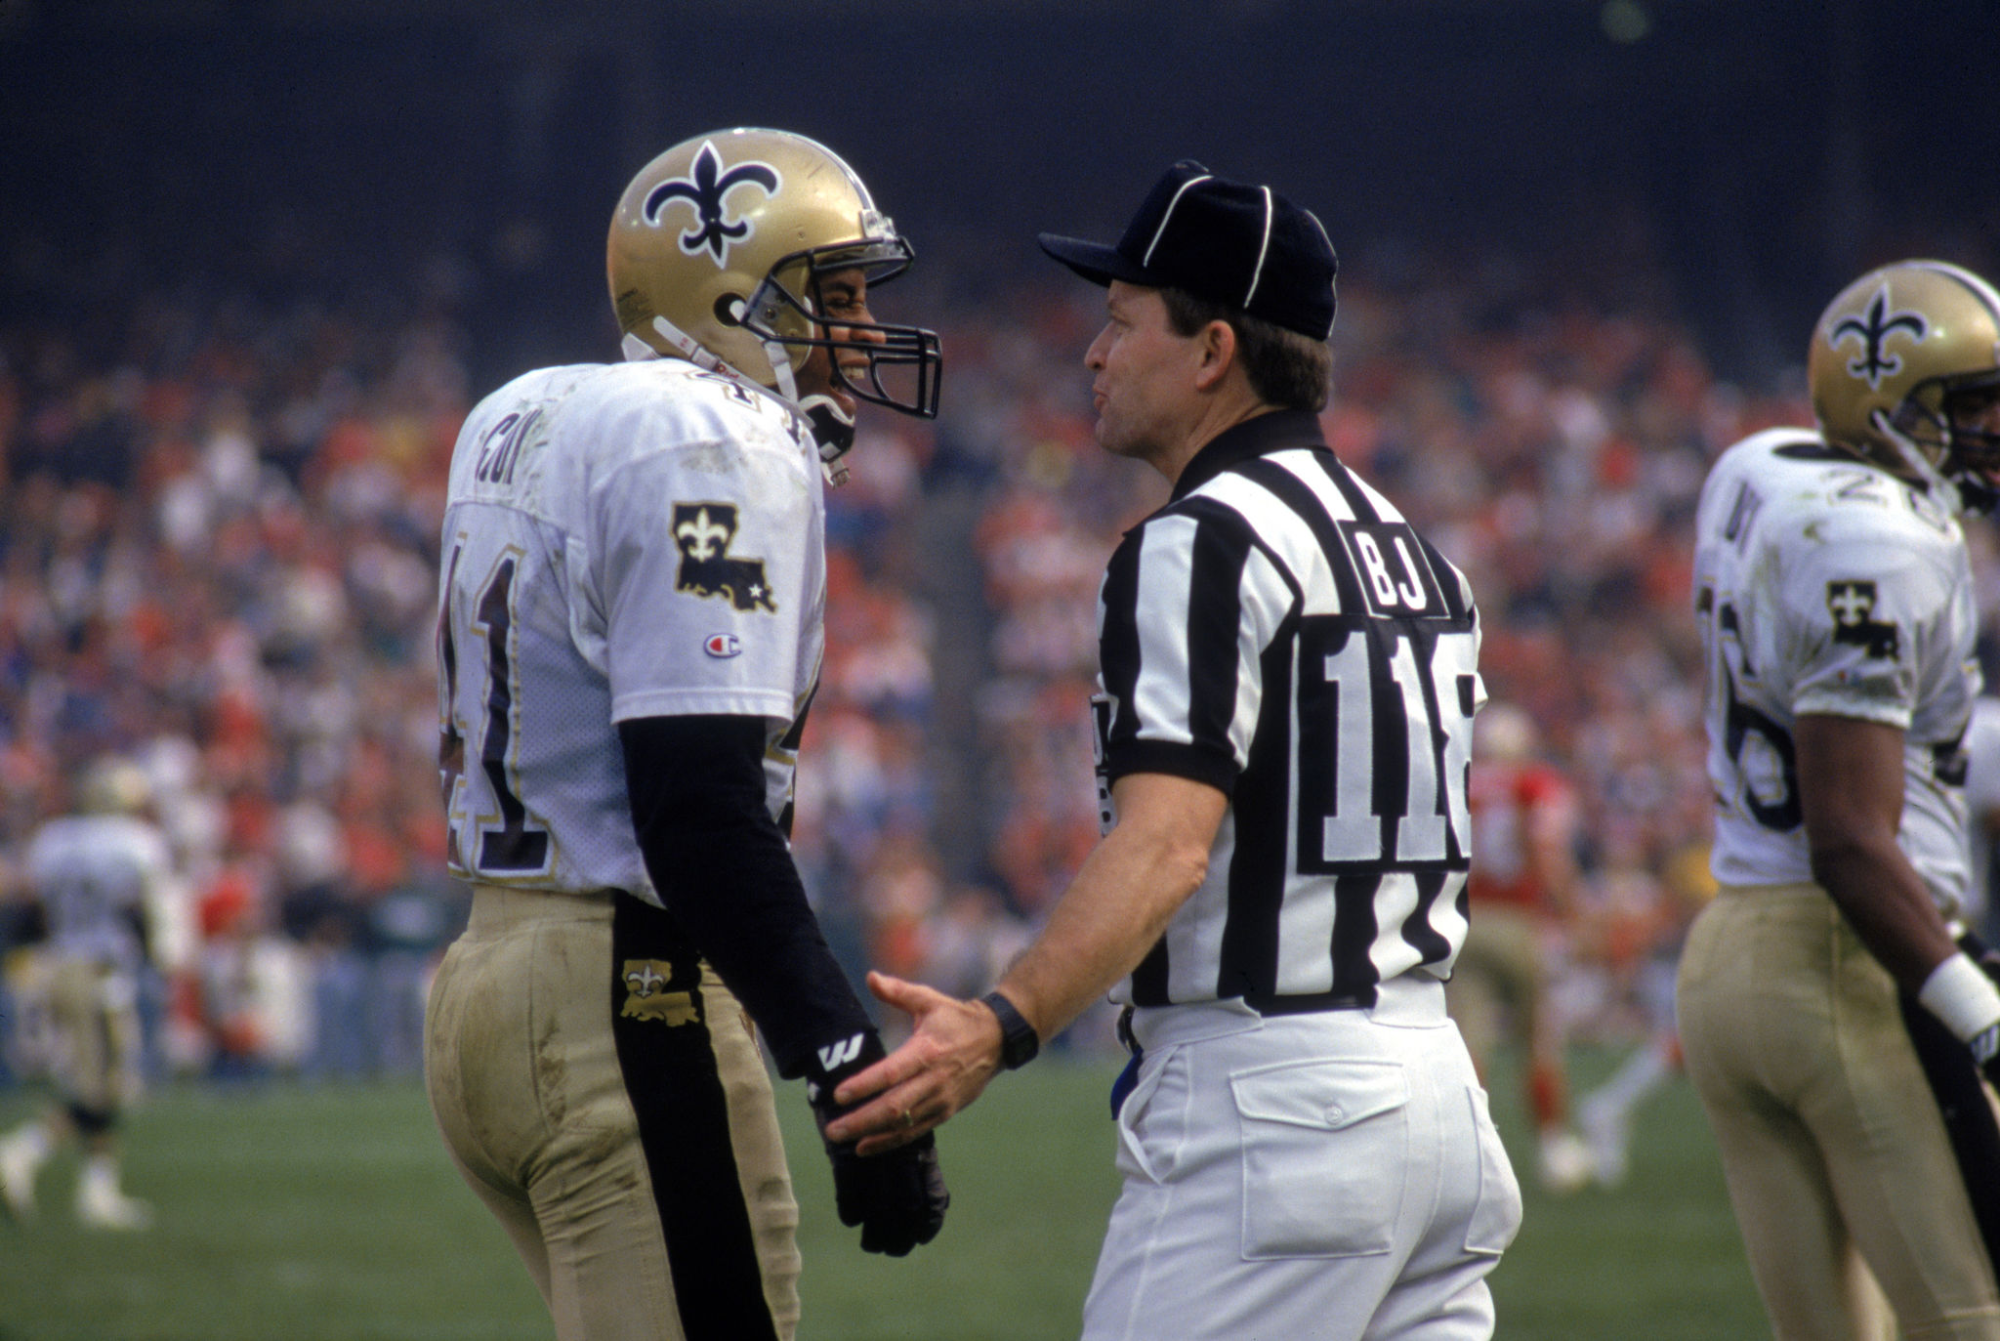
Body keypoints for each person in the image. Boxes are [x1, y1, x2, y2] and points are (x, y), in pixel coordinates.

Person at [827, 160, 1522, 1341]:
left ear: (1211, 351)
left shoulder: (1198, 542)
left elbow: (1165, 850)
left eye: (1118, 323)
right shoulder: (1418, 553)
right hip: (1437, 1097)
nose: (1092, 355)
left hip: (1273, 1114)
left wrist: (999, 1026)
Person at [421, 127, 948, 1341]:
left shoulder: (522, 410)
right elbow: (697, 809)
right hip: (625, 991)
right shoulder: (703, 434)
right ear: (729, 292)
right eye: (835, 293)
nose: (863, 331)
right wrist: (847, 1066)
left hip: (489, 985)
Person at [1679, 258, 2000, 1339]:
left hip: (1727, 960)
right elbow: (1851, 844)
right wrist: (1971, 1009)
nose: (1985, 430)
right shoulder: (1876, 542)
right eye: (1965, 406)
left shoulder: (1755, 467)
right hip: (1848, 965)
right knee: (1968, 1319)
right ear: (1889, 405)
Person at [0, 758, 178, 1230]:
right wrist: (154, 957)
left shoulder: (53, 840)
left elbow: (32, 911)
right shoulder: (135, 844)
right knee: (103, 1085)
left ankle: (95, 1189)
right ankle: (26, 1152)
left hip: (56, 965)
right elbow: (141, 912)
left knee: (99, 1082)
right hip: (98, 972)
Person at [1445, 700, 1593, 1192]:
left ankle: (1470, 1157)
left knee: (1469, 1044)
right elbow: (1545, 854)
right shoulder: (1534, 784)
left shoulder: (1460, 784)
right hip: (1519, 921)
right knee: (1539, 1040)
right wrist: (1572, 914)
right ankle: (1552, 1148)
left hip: (1467, 921)